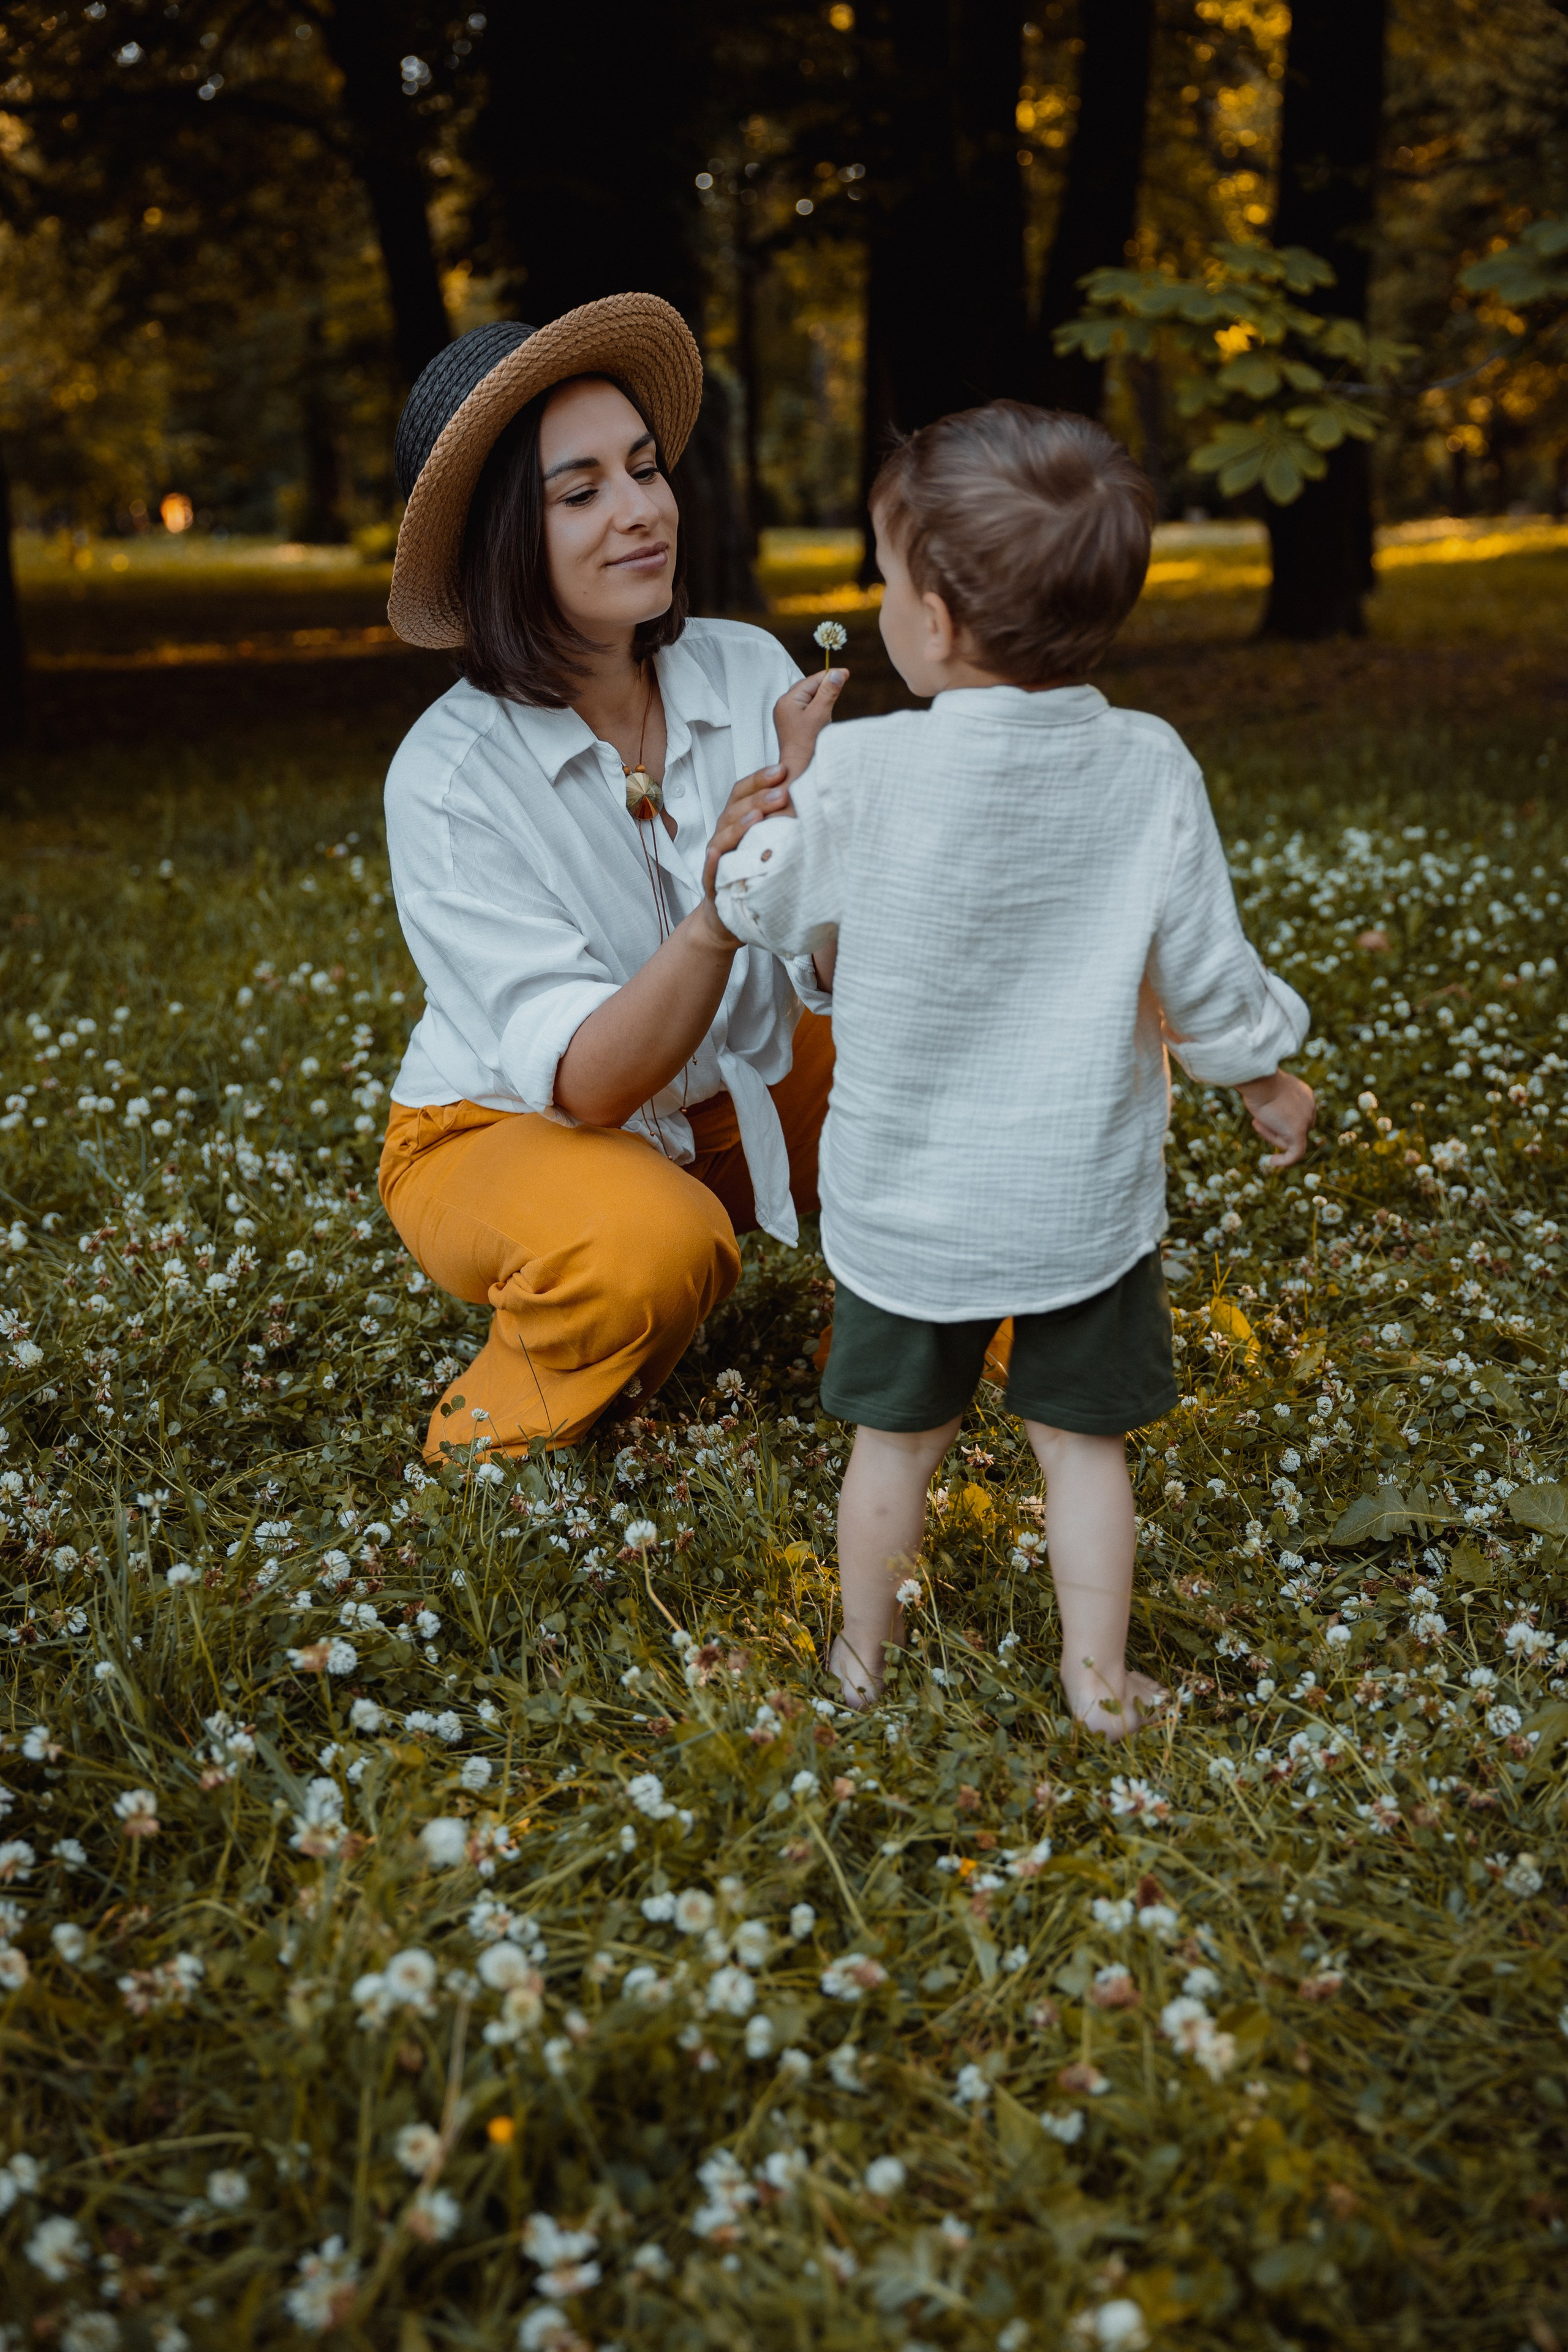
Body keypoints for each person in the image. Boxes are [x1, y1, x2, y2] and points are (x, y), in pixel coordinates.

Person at [711, 402, 1316, 1733]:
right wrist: (1256, 1072)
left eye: (881, 576)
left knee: (896, 1444)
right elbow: (1203, 961)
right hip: (1074, 1192)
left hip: (904, 1195)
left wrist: (791, 788)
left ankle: (857, 1670)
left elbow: (761, 911)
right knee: (1078, 1445)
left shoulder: (862, 770)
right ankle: (1097, 1685)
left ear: (929, 615)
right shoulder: (1144, 763)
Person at [377, 295, 845, 1458]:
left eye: (645, 469)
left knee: (959, 1062)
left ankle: (977, 1355)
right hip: (505, 1125)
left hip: (733, 1097)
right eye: (581, 492)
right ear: (502, 538)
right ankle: (495, 1434)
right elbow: (584, 1086)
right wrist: (724, 909)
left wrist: (837, 851)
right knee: (649, 1250)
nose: (642, 511)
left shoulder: (747, 669)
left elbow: (842, 965)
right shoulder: (447, 778)